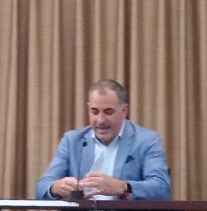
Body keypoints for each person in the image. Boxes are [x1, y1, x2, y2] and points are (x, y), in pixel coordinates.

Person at [35, 79, 171, 200]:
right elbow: (42, 187)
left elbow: (161, 188)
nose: (100, 120)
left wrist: (122, 187)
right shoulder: (72, 141)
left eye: (108, 112)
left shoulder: (146, 141)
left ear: (124, 110)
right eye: (94, 112)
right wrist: (56, 187)